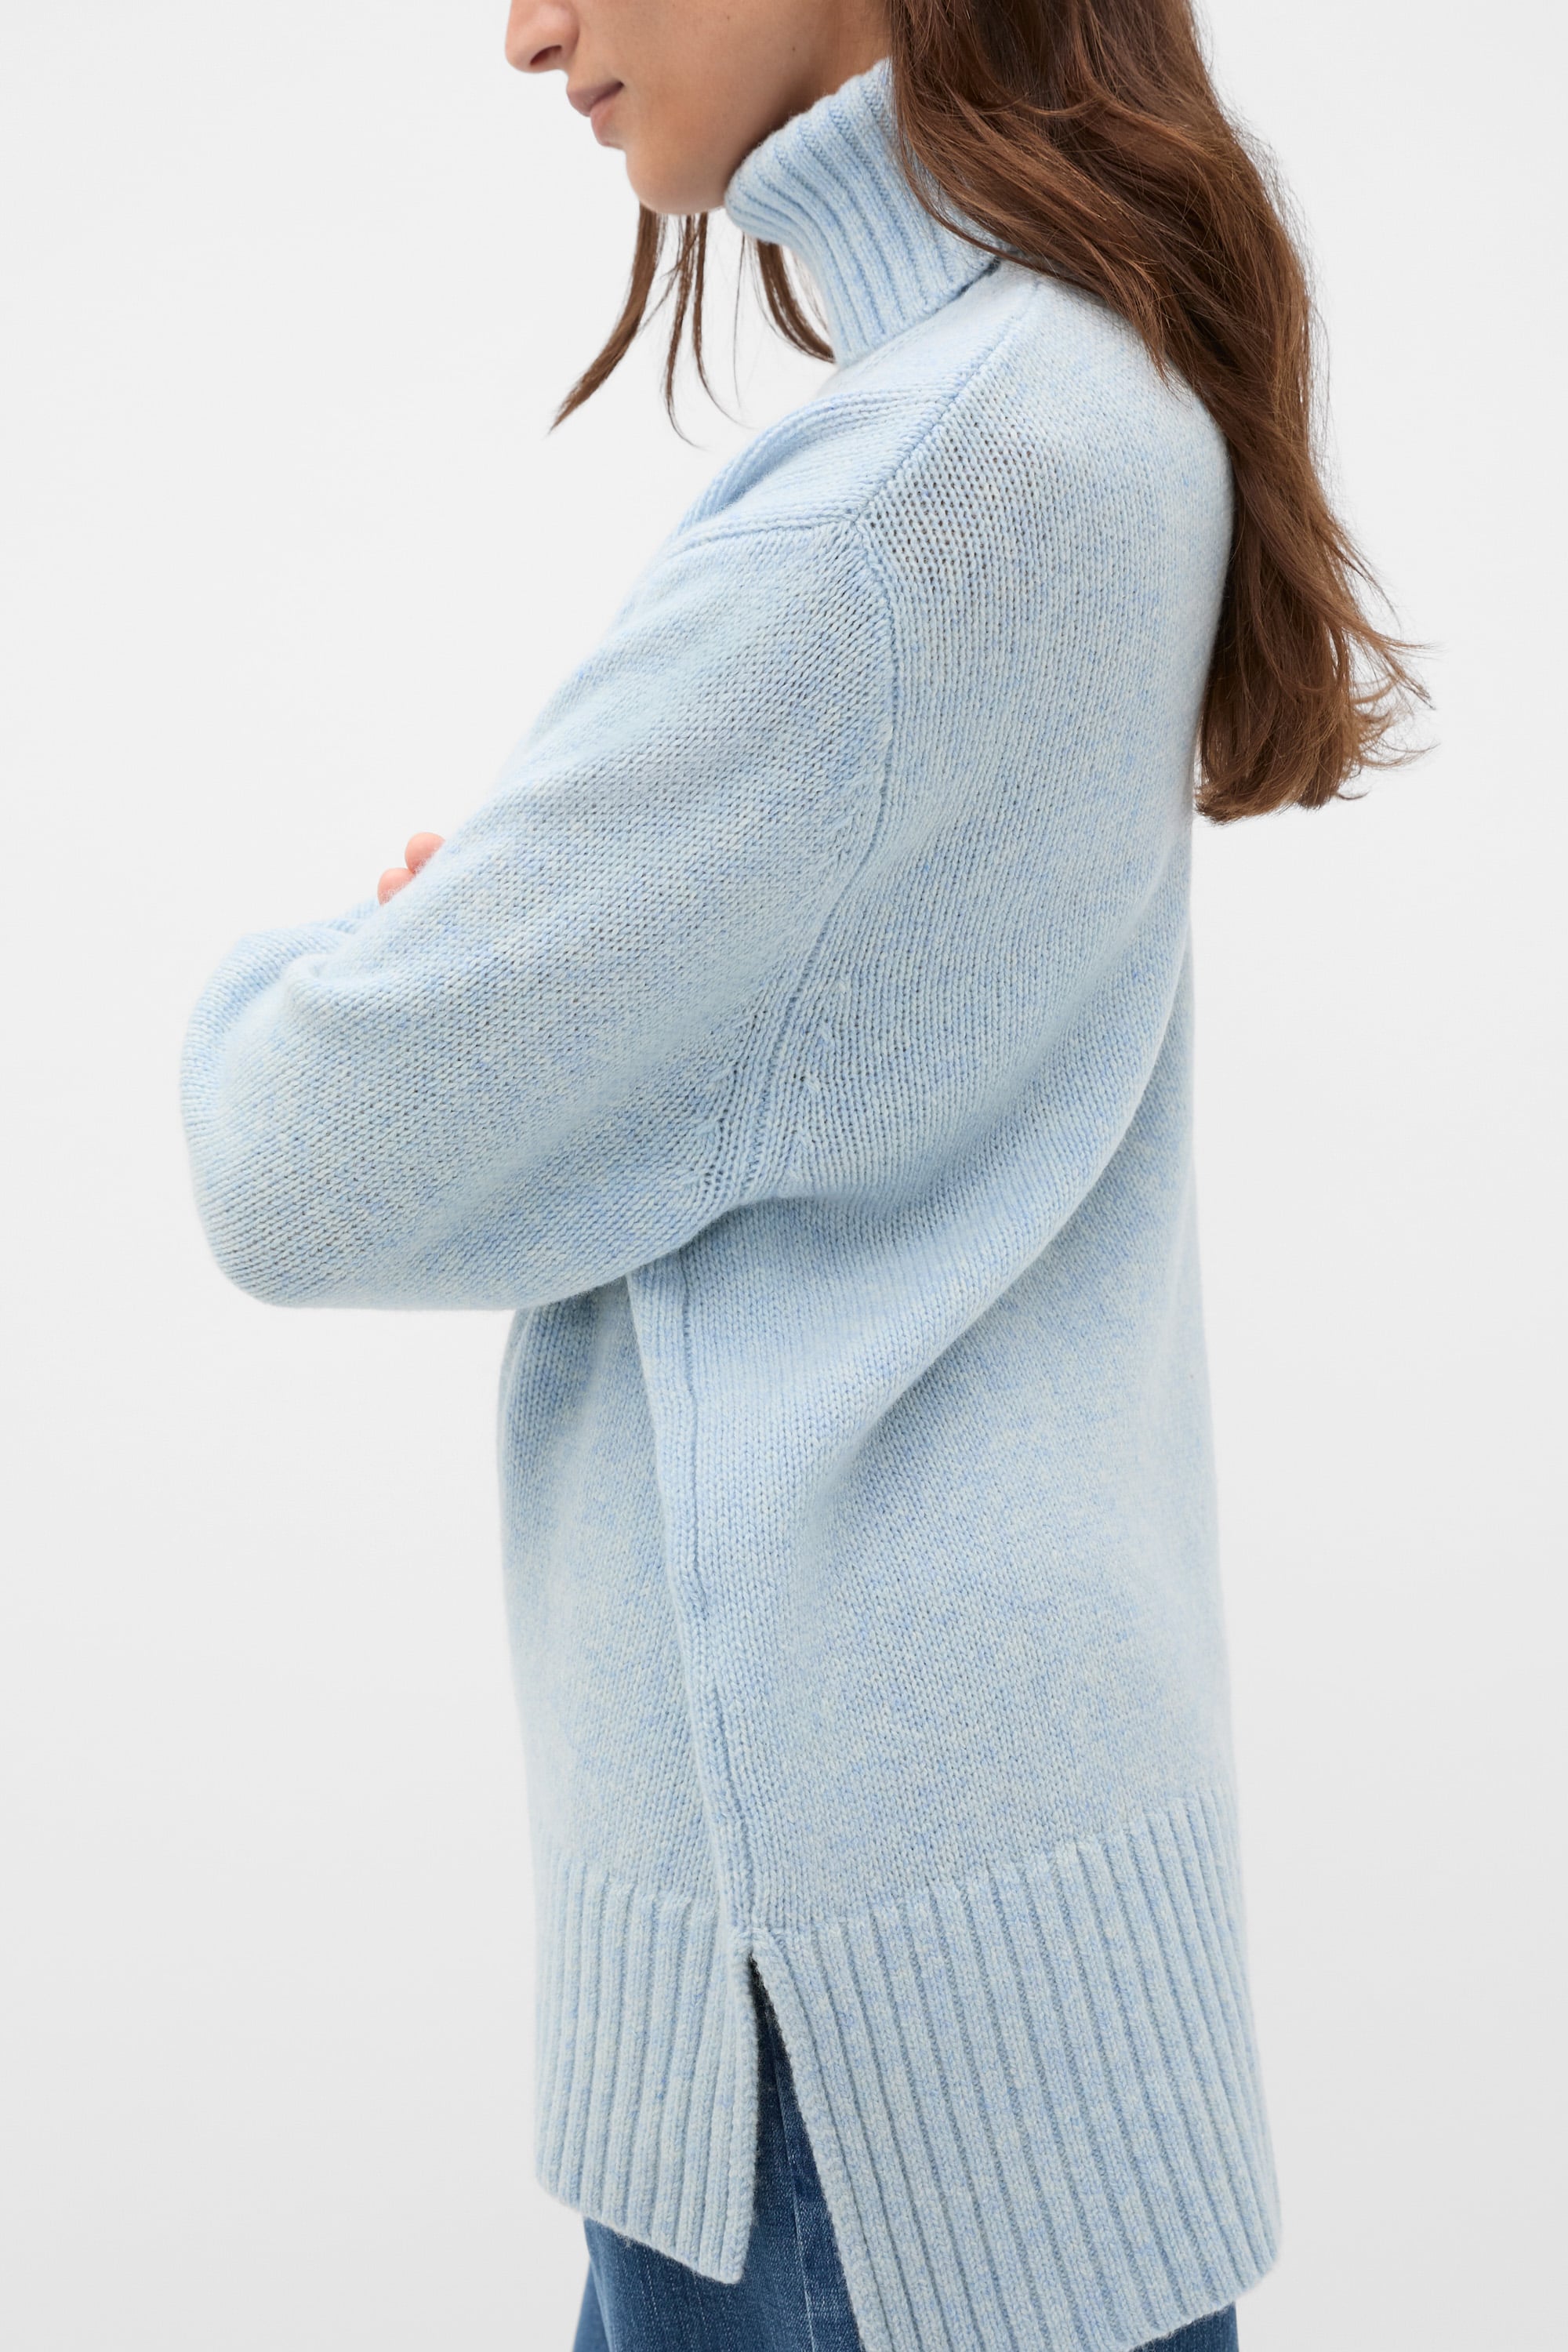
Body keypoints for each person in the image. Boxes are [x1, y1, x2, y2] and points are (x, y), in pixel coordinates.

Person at [180, 1, 1418, 2346]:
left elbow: (294, 1150)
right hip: (971, 1972)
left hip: (844, 2056)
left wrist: (337, 965)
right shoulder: (1083, 396)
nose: (525, 28)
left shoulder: (922, 492)